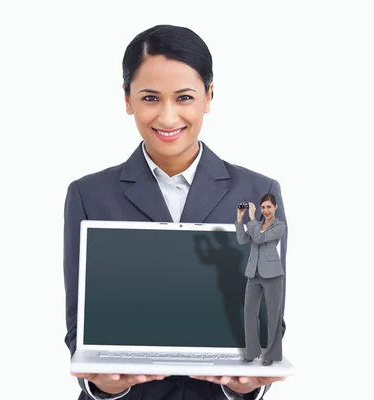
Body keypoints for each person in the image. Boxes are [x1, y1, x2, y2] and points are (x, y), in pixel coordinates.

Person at [63, 24, 288, 400]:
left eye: (184, 97)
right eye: (150, 98)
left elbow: (271, 316)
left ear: (208, 96)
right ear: (127, 98)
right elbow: (79, 326)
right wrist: (101, 385)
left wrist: (248, 386)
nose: (168, 119)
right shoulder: (88, 195)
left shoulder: (258, 193)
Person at [235, 195, 286, 366]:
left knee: (273, 315)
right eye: (263, 207)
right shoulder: (256, 224)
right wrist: (240, 219)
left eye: (269, 207)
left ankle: (271, 354)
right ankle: (252, 351)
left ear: (275, 207)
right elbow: (242, 240)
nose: (265, 211)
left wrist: (252, 219)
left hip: (272, 274)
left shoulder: (279, 226)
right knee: (249, 312)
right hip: (253, 273)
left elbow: (260, 239)